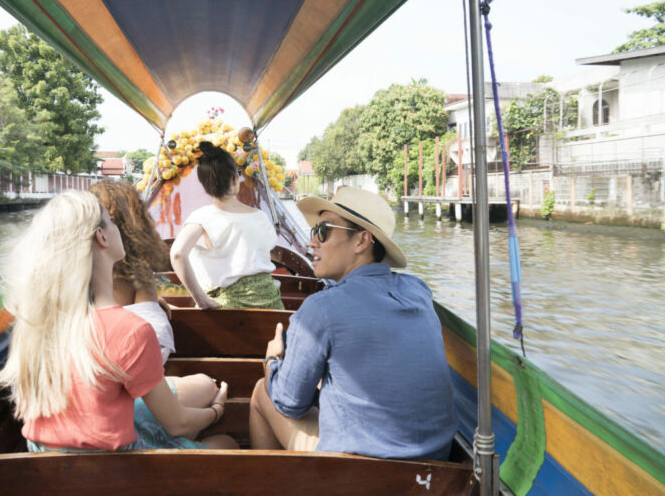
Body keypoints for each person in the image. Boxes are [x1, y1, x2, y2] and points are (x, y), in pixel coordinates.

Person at [0, 191, 236, 452]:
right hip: (113, 472)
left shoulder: (35, 321)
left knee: (194, 394)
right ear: (101, 236)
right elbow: (179, 424)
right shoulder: (131, 330)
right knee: (227, 443)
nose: (118, 227)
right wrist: (217, 410)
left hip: (50, 462)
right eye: (111, 220)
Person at [248, 187, 456, 460]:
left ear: (361, 241)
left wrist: (272, 361)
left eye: (323, 231)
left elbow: (289, 403)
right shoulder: (418, 290)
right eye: (314, 232)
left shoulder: (321, 308)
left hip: (362, 473)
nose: (313, 243)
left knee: (262, 392)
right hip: (436, 463)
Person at [90, 180, 222, 407]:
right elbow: (152, 352)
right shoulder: (138, 279)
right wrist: (217, 411)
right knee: (208, 388)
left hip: (98, 395)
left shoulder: (74, 283)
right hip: (122, 395)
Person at [170, 140, 284, 310]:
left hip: (229, 312)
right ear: (235, 179)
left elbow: (178, 254)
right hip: (272, 307)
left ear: (204, 185)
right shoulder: (261, 216)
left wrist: (201, 300)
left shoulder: (202, 217)